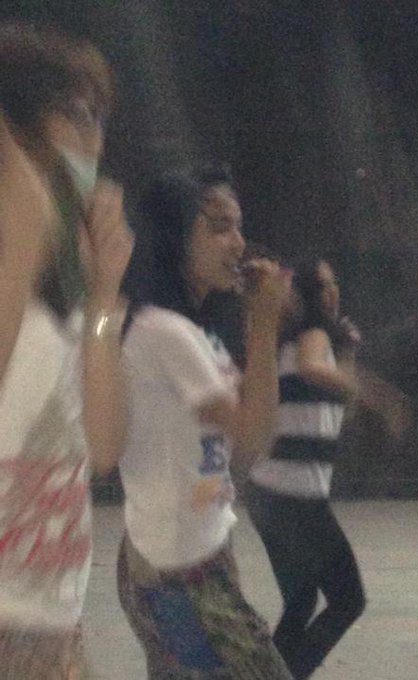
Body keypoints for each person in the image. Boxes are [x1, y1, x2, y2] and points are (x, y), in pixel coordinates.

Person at [118, 165, 294, 679]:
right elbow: (254, 434)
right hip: (180, 575)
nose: (237, 242)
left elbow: (243, 450)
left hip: (197, 556)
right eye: (219, 227)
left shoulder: (197, 333)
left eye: (238, 226)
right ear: (174, 238)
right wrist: (264, 324)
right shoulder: (164, 331)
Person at [0, 22, 132, 678]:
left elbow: (103, 448)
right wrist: (25, 229)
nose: (94, 141)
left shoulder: (71, 295)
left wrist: (104, 301)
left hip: (56, 624)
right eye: (77, 115)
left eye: (100, 119)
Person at [246, 258, 366, 680]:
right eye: (321, 287)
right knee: (349, 600)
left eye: (334, 284)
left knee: (300, 601)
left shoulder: (297, 343)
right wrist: (374, 393)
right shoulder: (313, 337)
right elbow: (313, 368)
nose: (331, 293)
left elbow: (340, 401)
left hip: (269, 495)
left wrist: (348, 352)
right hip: (294, 497)